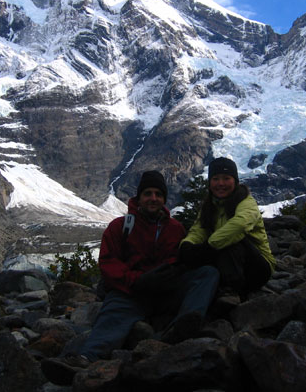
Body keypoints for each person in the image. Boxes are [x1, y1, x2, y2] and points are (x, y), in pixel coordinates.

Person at [63, 170, 219, 367]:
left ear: (164, 199)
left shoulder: (175, 228)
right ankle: (88, 358)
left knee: (207, 274)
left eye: (158, 194)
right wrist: (136, 280)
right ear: (139, 197)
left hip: (166, 291)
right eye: (148, 193)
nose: (153, 198)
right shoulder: (120, 226)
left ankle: (182, 328)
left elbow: (180, 261)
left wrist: (169, 274)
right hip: (133, 292)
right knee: (114, 311)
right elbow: (108, 262)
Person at [178, 157, 275, 299]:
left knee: (232, 241)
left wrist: (209, 246)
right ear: (210, 182)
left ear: (235, 181)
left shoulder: (246, 202)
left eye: (226, 178)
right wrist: (187, 244)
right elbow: (199, 229)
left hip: (258, 268)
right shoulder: (209, 205)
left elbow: (240, 224)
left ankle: (232, 292)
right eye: (216, 179)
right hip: (226, 261)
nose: (221, 183)